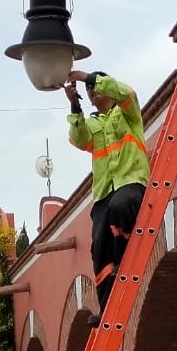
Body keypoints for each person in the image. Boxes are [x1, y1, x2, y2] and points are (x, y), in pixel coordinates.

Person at [64, 68, 150, 319]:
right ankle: (106, 308)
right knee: (99, 248)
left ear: (105, 86)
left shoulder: (128, 111)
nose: (91, 92)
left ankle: (124, 258)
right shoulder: (93, 124)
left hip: (131, 182)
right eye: (89, 90)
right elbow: (79, 139)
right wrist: (74, 106)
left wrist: (86, 77)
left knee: (120, 207)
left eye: (95, 87)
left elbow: (125, 92)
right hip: (104, 193)